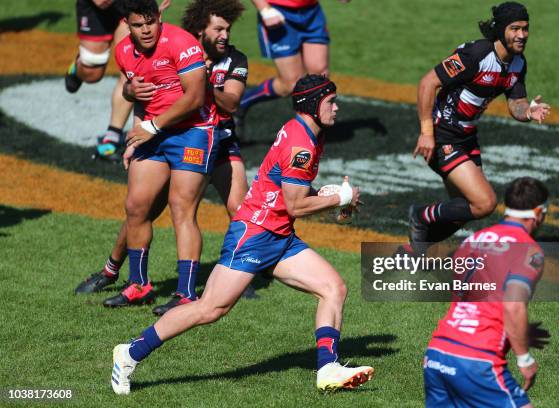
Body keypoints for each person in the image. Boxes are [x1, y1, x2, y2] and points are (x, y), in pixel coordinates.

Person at [110, 75, 374, 395]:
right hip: (255, 234)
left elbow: (291, 189)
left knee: (333, 287)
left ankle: (327, 368)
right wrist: (338, 199)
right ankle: (129, 353)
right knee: (210, 309)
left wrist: (326, 196)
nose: (337, 107)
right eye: (330, 101)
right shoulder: (301, 144)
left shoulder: (307, 133)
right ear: (311, 104)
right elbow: (294, 204)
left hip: (278, 235)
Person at [75, 0, 254, 312]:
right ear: (126, 26)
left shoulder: (182, 44)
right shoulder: (123, 51)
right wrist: (134, 128)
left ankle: (186, 293)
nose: (145, 31)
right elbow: (142, 96)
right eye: (137, 25)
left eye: (150, 23)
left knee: (181, 207)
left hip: (194, 131)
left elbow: (196, 97)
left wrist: (152, 126)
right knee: (136, 206)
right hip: (154, 133)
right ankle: (138, 285)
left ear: (159, 18)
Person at [408, 2, 551, 254]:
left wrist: (527, 111)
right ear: (500, 30)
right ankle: (420, 216)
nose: (521, 35)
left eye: (525, 29)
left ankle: (414, 252)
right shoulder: (475, 55)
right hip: (442, 135)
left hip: (466, 138)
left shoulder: (518, 63)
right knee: (484, 203)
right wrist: (426, 132)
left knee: (463, 209)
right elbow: (427, 83)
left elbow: (515, 102)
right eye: (514, 28)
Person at [423, 177, 550, 408]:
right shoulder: (528, 249)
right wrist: (525, 358)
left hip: (437, 353)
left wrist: (518, 332)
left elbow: (467, 301)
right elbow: (512, 305)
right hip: (477, 360)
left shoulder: (471, 241)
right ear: (538, 213)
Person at [64, 0, 170, 161]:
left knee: (133, 71)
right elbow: (102, 3)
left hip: (131, 4)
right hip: (96, 9)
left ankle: (113, 135)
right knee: (92, 71)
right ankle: (78, 68)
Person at [234, 0, 350, 138]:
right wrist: (264, 9)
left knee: (320, 74)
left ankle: (309, 130)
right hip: (278, 12)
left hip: (311, 12)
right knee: (290, 84)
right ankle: (243, 102)